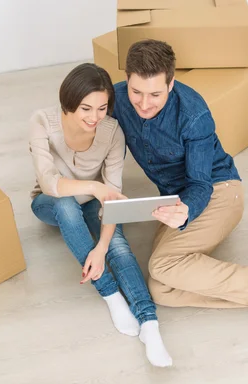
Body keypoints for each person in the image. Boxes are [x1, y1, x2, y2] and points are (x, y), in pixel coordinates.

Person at [111, 40, 248, 346]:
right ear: (127, 80)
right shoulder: (119, 97)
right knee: (162, 290)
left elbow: (201, 184)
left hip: (218, 193)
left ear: (171, 83)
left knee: (162, 266)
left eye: (155, 94)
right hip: (172, 200)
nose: (144, 103)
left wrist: (187, 211)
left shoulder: (194, 115)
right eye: (136, 91)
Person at [28, 63, 173, 366]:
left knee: (119, 245)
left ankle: (149, 323)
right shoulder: (43, 121)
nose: (94, 117)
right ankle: (109, 293)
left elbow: (113, 196)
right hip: (50, 201)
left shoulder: (112, 132)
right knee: (68, 206)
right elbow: (49, 183)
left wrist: (103, 246)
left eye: (102, 108)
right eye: (85, 108)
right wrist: (94, 187)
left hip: (96, 200)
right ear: (68, 101)